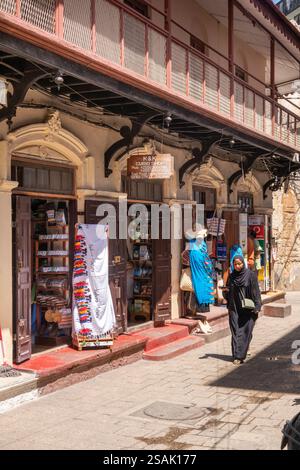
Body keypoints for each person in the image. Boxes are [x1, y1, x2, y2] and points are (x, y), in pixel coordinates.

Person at [223, 255, 261, 365]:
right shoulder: (232, 276)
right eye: (235, 264)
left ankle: (240, 354)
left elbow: (256, 291)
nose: (237, 266)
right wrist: (225, 291)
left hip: (247, 309)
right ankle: (237, 355)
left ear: (243, 263)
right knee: (235, 331)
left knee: (245, 331)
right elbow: (228, 290)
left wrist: (257, 306)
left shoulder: (250, 275)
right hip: (234, 308)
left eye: (239, 264)